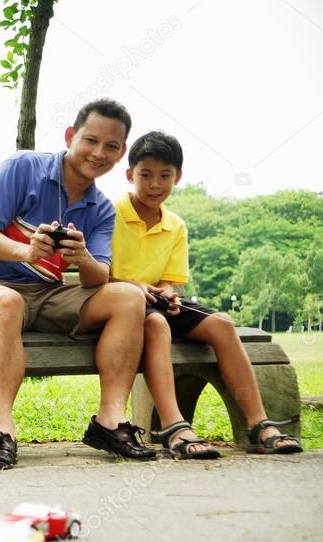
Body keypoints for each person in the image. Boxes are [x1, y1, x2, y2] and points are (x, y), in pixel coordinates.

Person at [0, 99, 155, 471]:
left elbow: (98, 277)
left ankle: (110, 421)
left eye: (111, 147)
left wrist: (83, 258)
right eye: (91, 140)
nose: (98, 153)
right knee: (7, 301)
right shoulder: (21, 167)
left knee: (128, 297)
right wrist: (26, 251)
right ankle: (1, 432)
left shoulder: (101, 209)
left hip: (43, 296)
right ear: (71, 136)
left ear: (121, 155)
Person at [110, 130, 302, 457]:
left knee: (223, 324)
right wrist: (135, 287)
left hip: (157, 301)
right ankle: (174, 426)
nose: (155, 184)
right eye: (145, 175)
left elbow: (171, 281)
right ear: (130, 175)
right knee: (156, 326)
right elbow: (103, 274)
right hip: (122, 303)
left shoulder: (176, 226)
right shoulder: (112, 213)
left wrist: (169, 294)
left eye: (164, 176)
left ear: (178, 177)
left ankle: (258, 423)